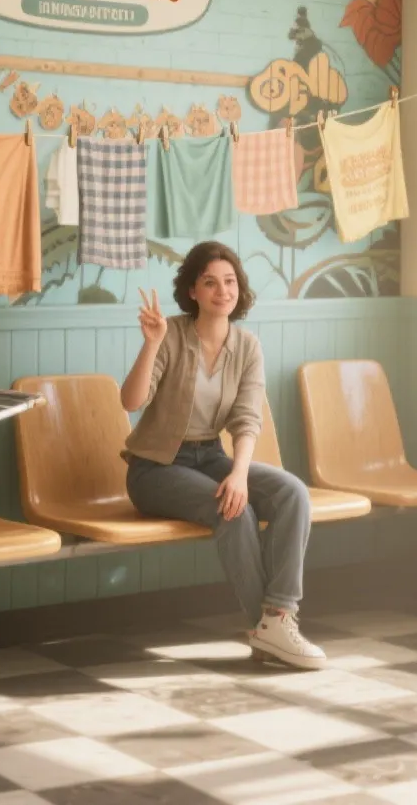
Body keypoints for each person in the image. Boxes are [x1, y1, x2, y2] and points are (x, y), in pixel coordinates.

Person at [120, 241, 325, 670]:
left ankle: (278, 616)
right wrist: (151, 344)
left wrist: (239, 474)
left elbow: (247, 419)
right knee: (233, 511)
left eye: (230, 281)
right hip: (156, 468)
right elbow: (131, 401)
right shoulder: (171, 334)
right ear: (192, 290)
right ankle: (265, 628)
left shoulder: (247, 346)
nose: (223, 291)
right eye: (210, 282)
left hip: (211, 456)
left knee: (292, 493)